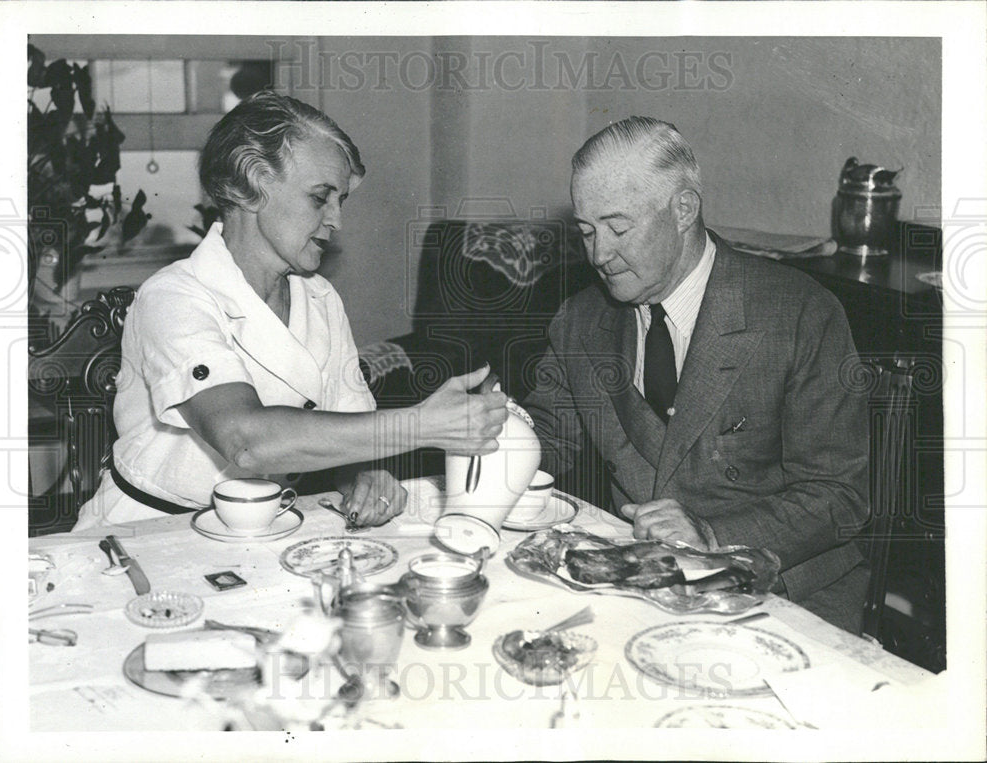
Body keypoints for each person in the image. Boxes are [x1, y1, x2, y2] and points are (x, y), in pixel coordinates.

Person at [74, 91, 508, 532]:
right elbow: (244, 441)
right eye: (321, 198)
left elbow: (344, 428)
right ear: (251, 185)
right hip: (150, 532)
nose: (337, 220)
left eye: (341, 201)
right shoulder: (173, 296)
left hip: (272, 524)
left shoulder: (320, 300)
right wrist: (419, 426)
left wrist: (362, 472)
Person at [522, 117, 870, 633]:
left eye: (618, 228)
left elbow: (840, 497)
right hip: (648, 583)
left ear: (683, 209)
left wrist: (711, 535)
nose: (599, 255)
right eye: (587, 231)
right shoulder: (581, 321)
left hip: (782, 588)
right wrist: (500, 430)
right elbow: (549, 437)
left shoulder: (797, 314)